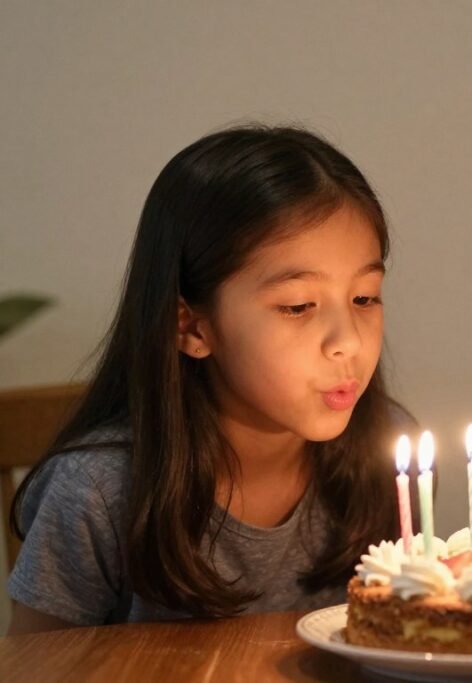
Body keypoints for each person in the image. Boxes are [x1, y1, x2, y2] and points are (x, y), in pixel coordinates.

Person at [8, 125, 409, 633]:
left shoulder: (386, 453)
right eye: (298, 306)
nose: (348, 341)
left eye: (365, 298)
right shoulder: (99, 491)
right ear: (192, 326)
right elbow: (36, 667)